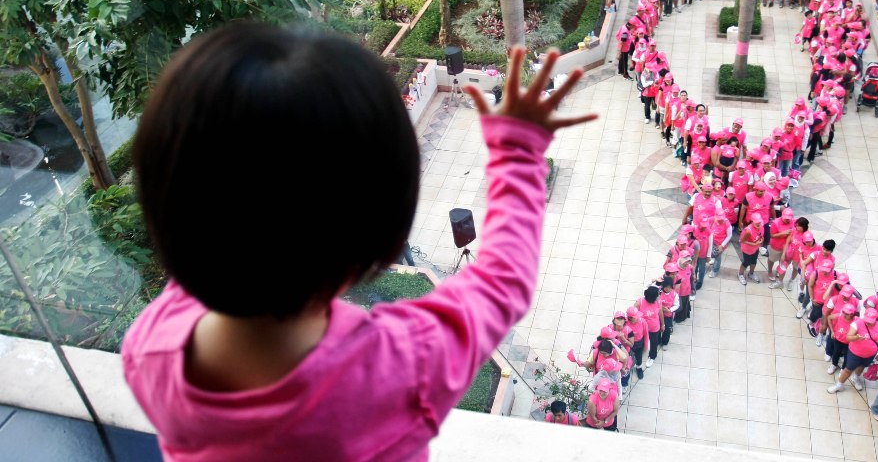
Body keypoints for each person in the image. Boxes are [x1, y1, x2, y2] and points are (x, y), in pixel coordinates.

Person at [121, 28, 595, 462]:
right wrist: (516, 152)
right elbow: (501, 284)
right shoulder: (392, 373)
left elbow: (220, 215)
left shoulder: (151, 347)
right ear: (375, 238)